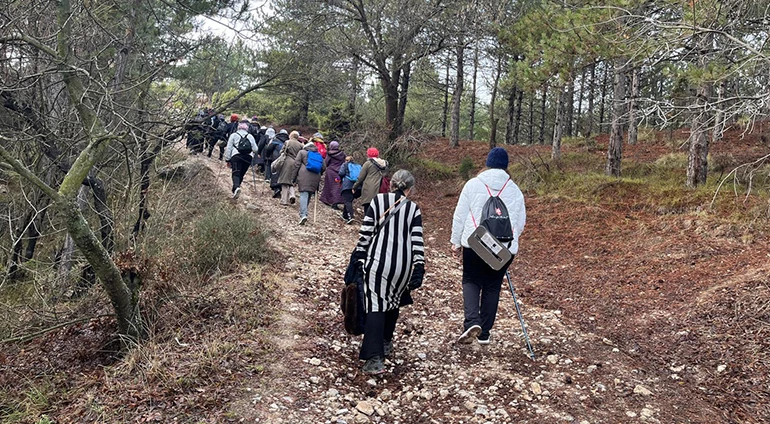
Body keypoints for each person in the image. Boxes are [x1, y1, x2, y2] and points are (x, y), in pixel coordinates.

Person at [351, 169, 425, 374]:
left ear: (391, 184)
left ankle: (374, 358)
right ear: (409, 190)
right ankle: (385, 342)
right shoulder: (413, 209)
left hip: (378, 262)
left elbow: (366, 233)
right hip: (403, 266)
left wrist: (359, 255)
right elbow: (417, 241)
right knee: (392, 301)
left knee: (376, 304)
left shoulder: (378, 201)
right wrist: (419, 267)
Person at [450, 147, 526, 345]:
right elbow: (520, 222)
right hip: (503, 248)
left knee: (471, 280)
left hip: (475, 242)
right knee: (492, 287)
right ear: (506, 166)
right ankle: (484, 334)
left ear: (488, 163)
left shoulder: (472, 184)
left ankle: (472, 322)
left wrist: (456, 242)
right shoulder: (515, 189)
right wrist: (511, 242)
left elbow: (460, 215)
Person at [291, 138, 326, 225]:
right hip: (315, 176)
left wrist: (293, 178)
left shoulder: (302, 152)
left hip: (304, 175)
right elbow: (324, 167)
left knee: (303, 194)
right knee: (309, 193)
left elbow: (296, 165)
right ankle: (303, 212)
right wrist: (319, 173)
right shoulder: (319, 155)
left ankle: (303, 214)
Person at [224, 120, 258, 199]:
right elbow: (255, 149)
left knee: (236, 173)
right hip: (248, 158)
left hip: (236, 156)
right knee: (241, 174)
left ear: (238, 128)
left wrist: (227, 159)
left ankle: (236, 187)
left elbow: (229, 148)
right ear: (247, 128)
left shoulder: (234, 135)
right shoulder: (250, 136)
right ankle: (235, 189)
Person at [352, 147, 389, 216]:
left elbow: (360, 178)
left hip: (370, 189)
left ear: (368, 154)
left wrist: (354, 187)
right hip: (382, 188)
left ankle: (368, 223)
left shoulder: (368, 163)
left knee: (368, 207)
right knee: (378, 207)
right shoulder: (385, 163)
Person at [276, 131, 303, 206]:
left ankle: (284, 200)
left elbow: (282, 152)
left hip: (287, 162)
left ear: (291, 135)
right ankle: (292, 195)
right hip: (296, 163)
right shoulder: (301, 145)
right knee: (291, 180)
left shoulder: (287, 142)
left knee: (284, 181)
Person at [319, 141, 346, 209]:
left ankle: (326, 199)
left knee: (328, 186)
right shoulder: (342, 154)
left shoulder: (330, 154)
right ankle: (336, 202)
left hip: (330, 172)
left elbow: (326, 162)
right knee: (337, 187)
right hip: (339, 172)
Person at [266, 129, 289, 198]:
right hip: (285, 159)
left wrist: (267, 156)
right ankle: (280, 187)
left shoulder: (275, 140)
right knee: (282, 173)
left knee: (275, 172)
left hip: (275, 158)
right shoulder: (288, 141)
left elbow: (269, 149)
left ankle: (276, 188)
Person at [337, 156, 359, 224]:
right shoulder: (357, 166)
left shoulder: (345, 164)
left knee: (347, 201)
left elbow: (341, 173)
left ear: (346, 160)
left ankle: (350, 217)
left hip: (347, 185)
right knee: (349, 200)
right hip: (357, 186)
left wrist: (339, 179)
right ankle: (345, 215)